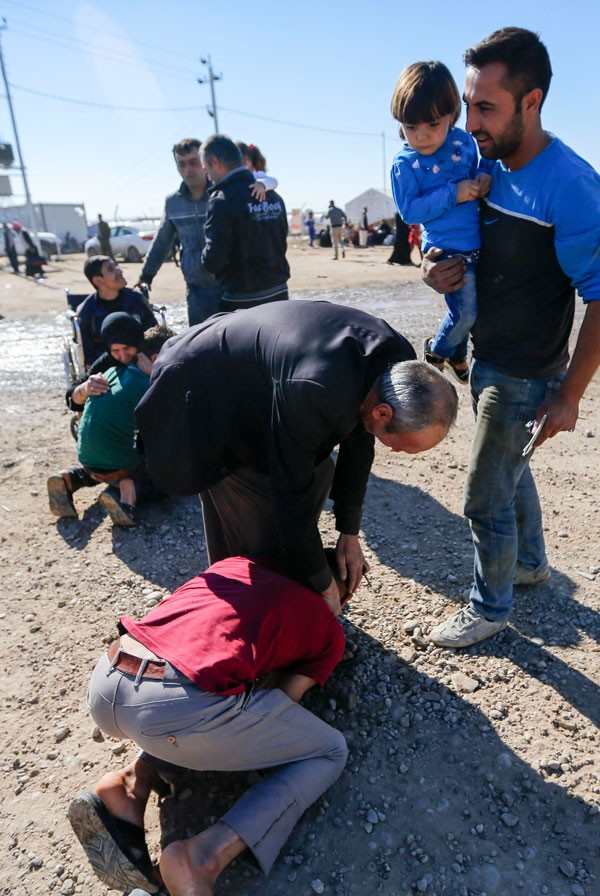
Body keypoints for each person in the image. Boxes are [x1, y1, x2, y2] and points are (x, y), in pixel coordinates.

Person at [421, 28, 600, 648]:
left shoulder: (571, 185)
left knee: (480, 495)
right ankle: (528, 565)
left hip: (526, 374)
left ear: (532, 101)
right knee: (510, 471)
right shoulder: (481, 162)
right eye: (468, 105)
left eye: (485, 107)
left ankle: (487, 607)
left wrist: (570, 395)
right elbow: (447, 232)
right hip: (486, 360)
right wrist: (432, 266)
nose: (469, 122)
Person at [136, 300, 458, 612]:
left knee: (318, 474)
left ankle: (283, 598)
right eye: (404, 446)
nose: (401, 452)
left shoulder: (396, 363)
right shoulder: (317, 391)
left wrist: (349, 531)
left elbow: (360, 442)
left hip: (260, 375)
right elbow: (289, 495)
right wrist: (322, 584)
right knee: (252, 508)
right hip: (201, 386)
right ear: (384, 413)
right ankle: (249, 612)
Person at [68, 553, 349, 895]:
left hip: (108, 677)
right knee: (330, 751)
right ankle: (202, 857)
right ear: (342, 594)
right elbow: (281, 702)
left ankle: (129, 786)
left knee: (204, 684)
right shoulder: (328, 626)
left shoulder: (235, 566)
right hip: (169, 708)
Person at [390, 61, 492, 385]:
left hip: (478, 246)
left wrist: (483, 175)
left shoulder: (464, 142)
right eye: (410, 126)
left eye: (431, 124)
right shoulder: (405, 163)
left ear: (452, 115)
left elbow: (482, 164)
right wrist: (455, 193)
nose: (420, 136)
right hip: (445, 250)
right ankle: (438, 352)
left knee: (467, 310)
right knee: (467, 312)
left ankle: (458, 354)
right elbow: (410, 211)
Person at [47, 324, 173, 526]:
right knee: (160, 478)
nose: (122, 355)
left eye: (127, 349)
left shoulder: (111, 370)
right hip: (118, 463)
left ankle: (70, 478)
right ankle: (128, 493)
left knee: (105, 461)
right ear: (156, 359)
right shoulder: (149, 385)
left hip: (86, 456)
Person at [200, 134, 290, 312]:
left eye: (205, 169)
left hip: (242, 299)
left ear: (215, 162)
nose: (207, 176)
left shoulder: (222, 201)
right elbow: (281, 238)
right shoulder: (273, 196)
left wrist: (205, 259)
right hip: (279, 292)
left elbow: (214, 259)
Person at [77, 256, 157, 366]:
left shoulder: (136, 299)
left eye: (116, 266)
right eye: (111, 269)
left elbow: (153, 333)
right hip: (107, 366)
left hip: (141, 361)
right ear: (98, 280)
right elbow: (88, 353)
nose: (120, 271)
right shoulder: (87, 312)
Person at [65, 312, 145, 413]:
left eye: (127, 348)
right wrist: (84, 390)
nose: (123, 356)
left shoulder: (151, 354)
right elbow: (72, 397)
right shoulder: (107, 361)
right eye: (116, 350)